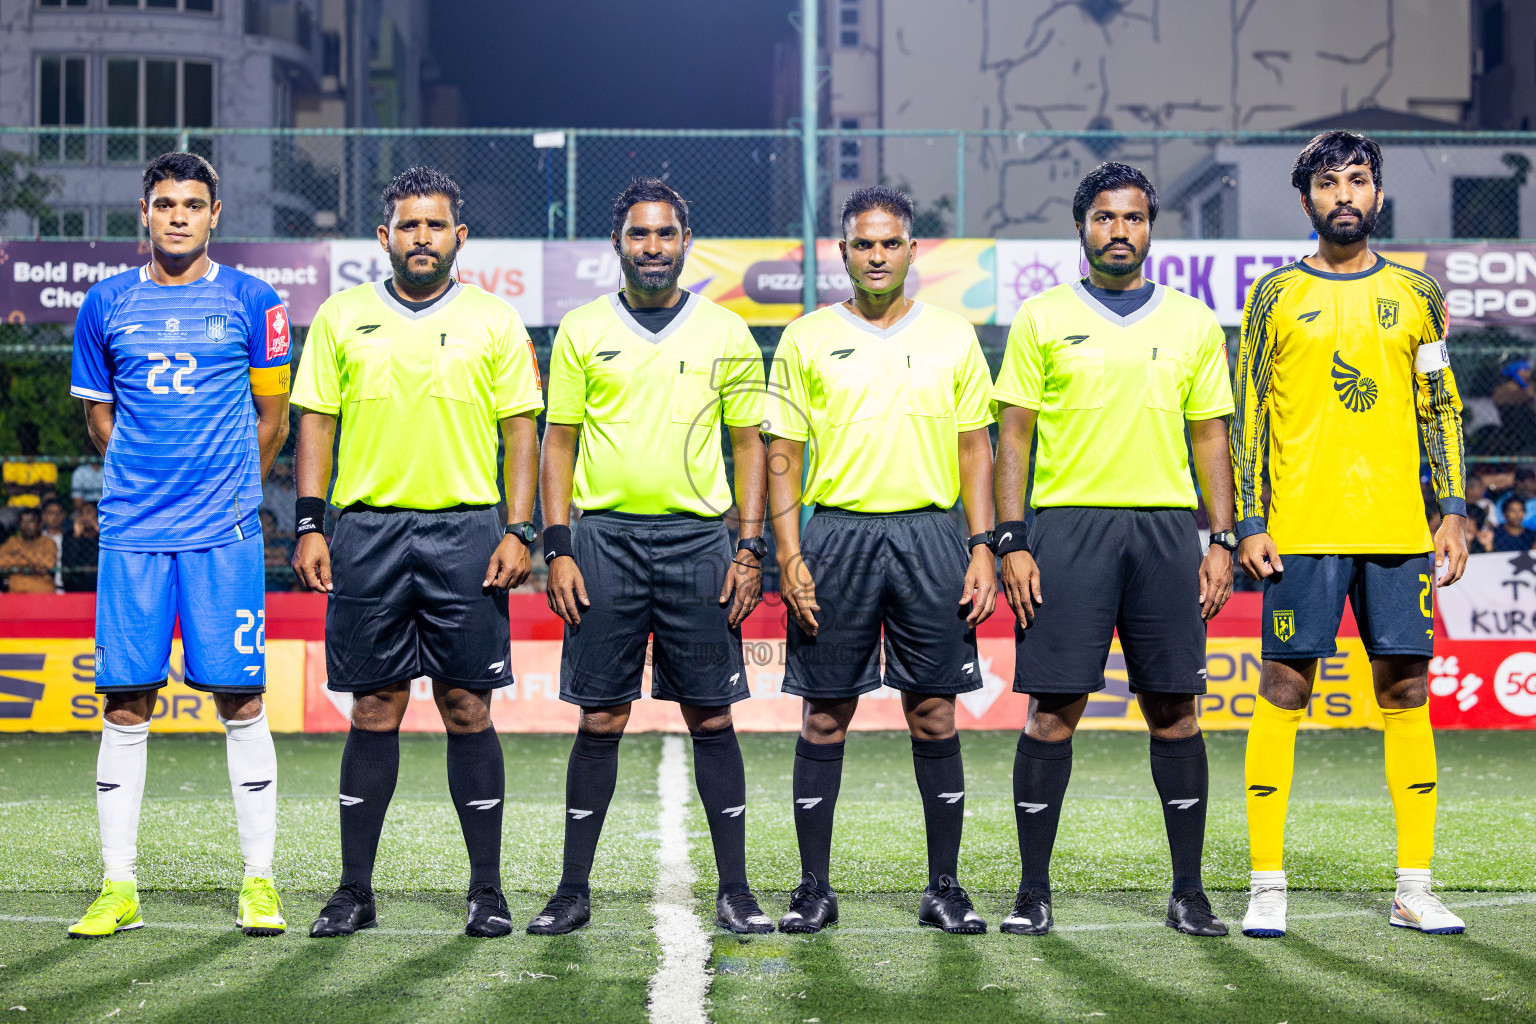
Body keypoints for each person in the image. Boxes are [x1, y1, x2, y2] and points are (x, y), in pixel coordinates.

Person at [291, 167, 543, 940]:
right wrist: (308, 522)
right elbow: (317, 424)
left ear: (459, 237)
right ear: (385, 237)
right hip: (366, 533)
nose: (422, 238)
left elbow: (521, 432)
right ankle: (354, 891)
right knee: (375, 706)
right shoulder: (341, 317)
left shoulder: (496, 322)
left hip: (468, 533)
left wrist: (520, 529)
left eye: (436, 226)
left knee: (468, 708)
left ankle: (487, 891)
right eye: (409, 225)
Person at [1233, 131, 1469, 938]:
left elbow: (1440, 406)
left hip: (1399, 530)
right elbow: (1252, 413)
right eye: (1328, 183)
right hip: (1300, 531)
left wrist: (1454, 508)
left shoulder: (1418, 294)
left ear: (1377, 194)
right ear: (1306, 201)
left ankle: (1415, 886)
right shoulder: (1271, 297)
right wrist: (1250, 521)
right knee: (1283, 693)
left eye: (1358, 180)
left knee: (1406, 694)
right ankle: (1268, 884)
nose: (1344, 195)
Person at [992, 163, 1236, 938]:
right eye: (1104, 218)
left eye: (1133, 218)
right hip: (1066, 530)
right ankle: (1033, 891)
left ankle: (1189, 891)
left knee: (1175, 710)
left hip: (1166, 530)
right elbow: (1015, 437)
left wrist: (1221, 537)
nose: (1119, 231)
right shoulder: (1040, 317)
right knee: (1052, 712)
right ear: (1081, 227)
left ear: (1150, 227)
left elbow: (1211, 438)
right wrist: (1013, 539)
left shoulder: (1193, 321)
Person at [527, 178, 773, 936]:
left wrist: (750, 544)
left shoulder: (727, 332)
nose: (654, 247)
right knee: (599, 719)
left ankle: (735, 889)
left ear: (686, 241)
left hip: (700, 543)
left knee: (711, 716)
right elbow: (558, 441)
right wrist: (557, 545)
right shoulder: (581, 329)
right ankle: (572, 890)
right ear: (618, 243)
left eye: (666, 234)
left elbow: (748, 445)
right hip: (603, 543)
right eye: (640, 235)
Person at [66, 152, 292, 938]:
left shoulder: (253, 301)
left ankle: (259, 882)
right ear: (145, 211)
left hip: (222, 537)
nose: (178, 216)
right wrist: (144, 482)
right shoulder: (103, 305)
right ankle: (117, 886)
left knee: (241, 697)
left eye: (193, 204)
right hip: (132, 534)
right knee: (126, 702)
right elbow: (101, 419)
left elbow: (274, 419)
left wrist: (232, 493)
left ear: (215, 214)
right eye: (165, 203)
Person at [763, 185, 998, 935]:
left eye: (889, 243)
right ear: (842, 253)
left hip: (932, 538)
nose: (876, 256)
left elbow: (975, 449)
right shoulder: (804, 339)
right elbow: (783, 457)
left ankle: (945, 888)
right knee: (824, 716)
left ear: (910, 251)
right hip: (835, 540)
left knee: (934, 714)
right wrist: (790, 554)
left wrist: (984, 545)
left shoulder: (953, 337)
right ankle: (812, 890)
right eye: (862, 244)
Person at [0, 507, 57, 594]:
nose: (26, 525)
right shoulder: (12, 541)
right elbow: (1, 560)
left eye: (31, 521)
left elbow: (48, 563)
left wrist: (18, 555)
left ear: (39, 524)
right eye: (23, 522)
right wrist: (33, 564)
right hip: (17, 591)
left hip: (42, 592)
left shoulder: (48, 542)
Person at [4, 422, 58, 510]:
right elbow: (10, 490)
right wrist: (35, 487)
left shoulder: (47, 462)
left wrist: (20, 488)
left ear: (37, 439)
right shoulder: (11, 461)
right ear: (19, 439)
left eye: (31, 437)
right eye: (25, 437)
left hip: (40, 506)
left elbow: (49, 489)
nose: (28, 441)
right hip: (15, 507)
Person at [61, 501, 101, 592]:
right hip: (77, 583)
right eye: (81, 513)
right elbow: (69, 562)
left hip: (99, 582)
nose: (84, 517)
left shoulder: (104, 536)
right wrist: (76, 536)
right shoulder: (70, 536)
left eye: (88, 512)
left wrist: (99, 531)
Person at [261, 457, 297, 535]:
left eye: (281, 468)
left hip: (295, 535)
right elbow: (263, 515)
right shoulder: (268, 490)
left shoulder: (300, 492)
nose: (278, 472)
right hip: (272, 535)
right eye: (275, 469)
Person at [40, 497, 68, 592]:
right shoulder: (38, 539)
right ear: (43, 516)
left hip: (66, 587)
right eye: (51, 513)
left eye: (58, 513)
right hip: (43, 587)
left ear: (64, 515)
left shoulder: (71, 539)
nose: (55, 517)